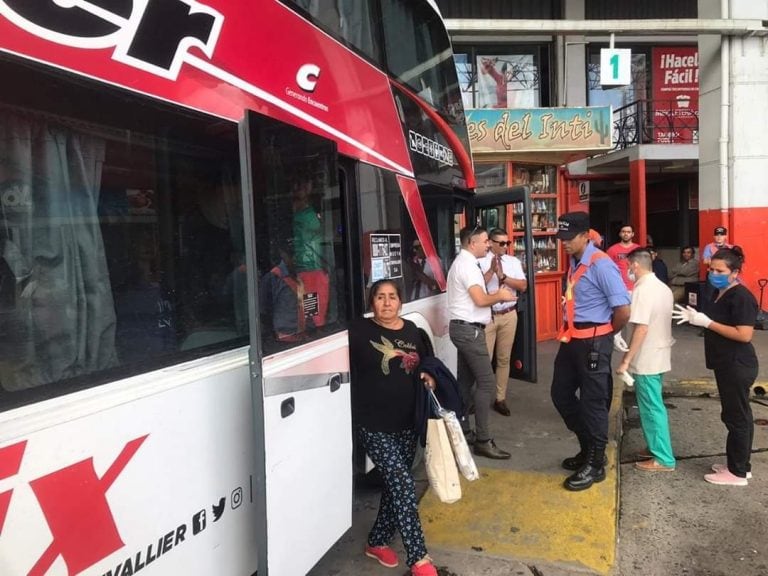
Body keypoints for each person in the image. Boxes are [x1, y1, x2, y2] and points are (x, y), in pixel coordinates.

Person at [349, 279, 438, 576]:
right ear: (371, 302)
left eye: (392, 297)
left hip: (406, 422)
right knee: (402, 483)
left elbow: (426, 364)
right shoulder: (358, 332)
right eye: (379, 297)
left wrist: (429, 376)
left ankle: (376, 541)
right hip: (373, 424)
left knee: (393, 486)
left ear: (400, 301)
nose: (386, 303)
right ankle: (419, 557)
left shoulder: (412, 330)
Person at [552, 212, 631, 491]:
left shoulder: (602, 264)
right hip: (573, 340)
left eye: (569, 239)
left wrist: (608, 334)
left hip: (594, 341)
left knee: (593, 403)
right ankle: (588, 448)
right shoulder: (576, 260)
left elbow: (623, 309)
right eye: (561, 239)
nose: (564, 244)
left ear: (586, 235)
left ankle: (596, 464)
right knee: (560, 394)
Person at [673, 246, 759, 486]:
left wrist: (708, 323)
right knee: (736, 414)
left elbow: (744, 334)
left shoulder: (741, 296)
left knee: (736, 417)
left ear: (735, 272)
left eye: (720, 270)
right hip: (725, 363)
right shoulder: (718, 292)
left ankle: (737, 473)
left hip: (737, 364)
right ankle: (740, 464)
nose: (713, 273)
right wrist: (696, 318)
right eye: (711, 269)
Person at [447, 225, 516, 460]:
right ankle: (483, 440)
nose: (489, 244)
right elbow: (479, 299)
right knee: (486, 384)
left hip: (463, 329)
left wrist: (491, 274)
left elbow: (474, 290)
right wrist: (501, 296)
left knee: (465, 383)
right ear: (471, 243)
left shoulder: (465, 263)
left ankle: (464, 430)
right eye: (486, 241)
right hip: (469, 331)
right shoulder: (466, 265)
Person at [616, 248, 676, 472]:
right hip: (659, 355)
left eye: (628, 266)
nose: (628, 271)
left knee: (651, 408)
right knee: (652, 405)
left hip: (647, 358)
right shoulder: (662, 287)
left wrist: (625, 360)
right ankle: (655, 447)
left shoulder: (643, 291)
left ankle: (663, 458)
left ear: (634, 265)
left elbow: (641, 327)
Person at [479, 227, 527, 416]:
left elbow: (523, 286)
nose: (505, 246)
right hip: (488, 315)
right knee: (484, 359)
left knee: (504, 358)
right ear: (490, 243)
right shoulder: (480, 261)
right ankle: (480, 398)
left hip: (508, 314)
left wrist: (503, 277)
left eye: (508, 243)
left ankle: (500, 398)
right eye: (501, 243)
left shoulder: (512, 261)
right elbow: (476, 287)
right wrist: (491, 271)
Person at [291, 174, 323, 271]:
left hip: (307, 269)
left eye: (296, 199)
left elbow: (305, 248)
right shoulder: (309, 217)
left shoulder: (306, 218)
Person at [606, 224, 640, 292]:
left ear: (632, 234)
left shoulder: (638, 249)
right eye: (623, 232)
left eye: (628, 232)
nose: (626, 234)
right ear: (620, 234)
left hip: (636, 287)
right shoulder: (612, 250)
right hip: (618, 288)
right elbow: (607, 269)